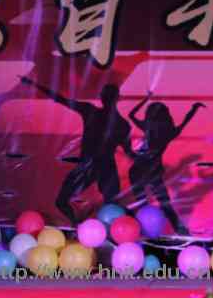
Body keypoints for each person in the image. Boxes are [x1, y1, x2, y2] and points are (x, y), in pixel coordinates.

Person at [20, 77, 138, 225]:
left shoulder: (95, 113)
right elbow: (129, 152)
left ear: (104, 97)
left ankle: (82, 225)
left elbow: (60, 99)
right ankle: (81, 226)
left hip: (94, 166)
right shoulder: (119, 123)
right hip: (99, 166)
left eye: (104, 95)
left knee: (108, 206)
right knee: (111, 206)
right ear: (117, 99)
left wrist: (34, 84)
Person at [127, 96, 204, 235]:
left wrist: (145, 99)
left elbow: (131, 114)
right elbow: (185, 121)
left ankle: (157, 229)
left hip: (140, 170)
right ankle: (179, 229)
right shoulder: (168, 132)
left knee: (144, 203)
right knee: (162, 202)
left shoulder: (149, 126)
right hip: (149, 170)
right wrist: (194, 109)